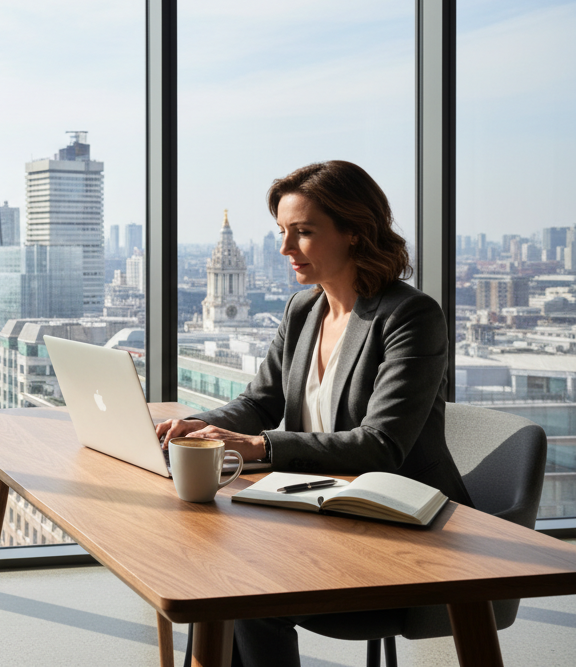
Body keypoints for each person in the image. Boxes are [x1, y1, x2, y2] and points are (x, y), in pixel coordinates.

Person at [154, 160, 472, 667]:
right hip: (320, 509)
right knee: (208, 566)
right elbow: (261, 401)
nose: (284, 249)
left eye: (302, 233)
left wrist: (259, 446)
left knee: (243, 588)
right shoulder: (304, 309)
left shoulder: (409, 316)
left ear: (354, 233)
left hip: (403, 528)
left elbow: (381, 446)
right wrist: (200, 427)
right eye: (282, 232)